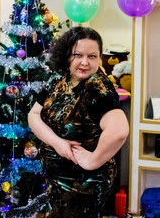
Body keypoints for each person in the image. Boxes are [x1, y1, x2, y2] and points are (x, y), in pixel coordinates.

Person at [28, 26, 129, 217]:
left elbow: (119, 131)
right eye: (77, 55)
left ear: (100, 58)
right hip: (56, 183)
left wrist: (92, 161)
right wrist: (58, 143)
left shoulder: (96, 88)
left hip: (83, 187)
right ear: (67, 55)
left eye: (92, 56)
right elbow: (33, 115)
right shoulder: (58, 78)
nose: (85, 62)